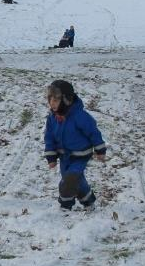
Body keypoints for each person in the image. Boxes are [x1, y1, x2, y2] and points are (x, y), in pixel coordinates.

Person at [43, 80, 105, 211]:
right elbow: (49, 137)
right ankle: (88, 201)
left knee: (69, 179)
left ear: (66, 100)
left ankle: (65, 206)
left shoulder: (79, 116)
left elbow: (93, 132)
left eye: (56, 99)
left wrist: (100, 149)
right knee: (75, 180)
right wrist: (51, 157)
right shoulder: (52, 118)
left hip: (81, 155)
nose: (51, 103)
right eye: (50, 99)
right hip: (64, 156)